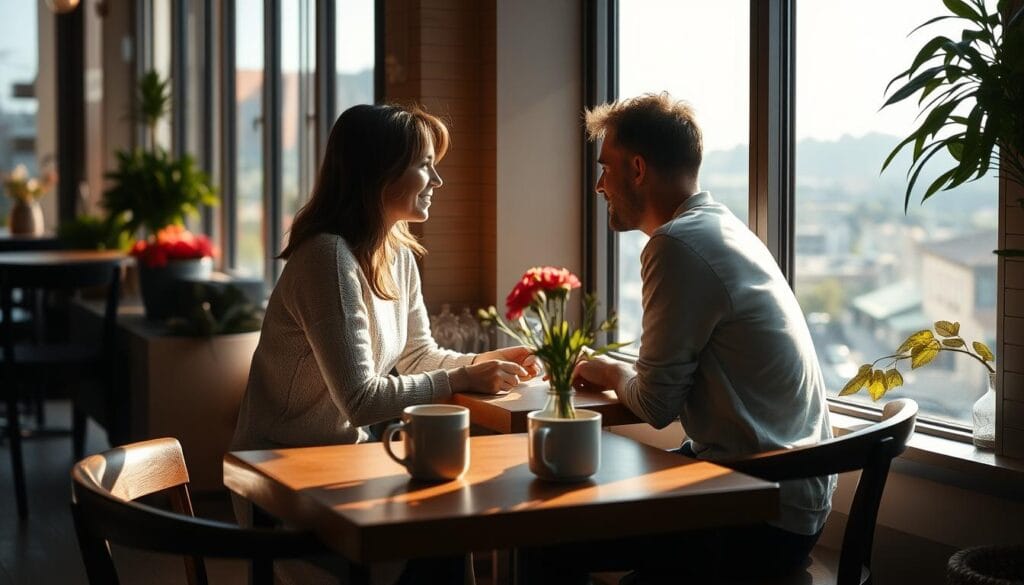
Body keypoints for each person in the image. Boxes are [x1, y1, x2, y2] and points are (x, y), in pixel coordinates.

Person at [230, 104, 536, 585]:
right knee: (444, 539)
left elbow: (419, 357)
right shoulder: (327, 258)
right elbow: (360, 399)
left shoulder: (396, 253)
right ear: (379, 172)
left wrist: (489, 360)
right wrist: (461, 378)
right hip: (280, 485)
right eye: (424, 165)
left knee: (450, 531)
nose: (437, 180)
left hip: (339, 466)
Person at [561, 93, 836, 583]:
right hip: (788, 497)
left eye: (606, 168)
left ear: (638, 169)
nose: (600, 185)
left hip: (758, 514)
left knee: (550, 534)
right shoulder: (720, 227)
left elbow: (657, 404)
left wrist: (607, 370)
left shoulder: (676, 245)